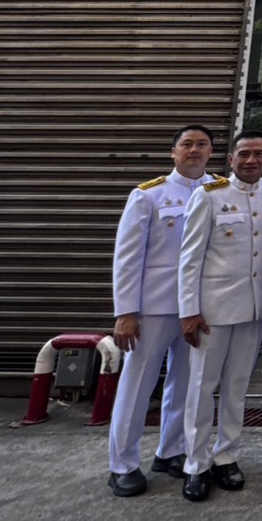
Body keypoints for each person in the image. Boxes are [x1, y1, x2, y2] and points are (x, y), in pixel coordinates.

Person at [107, 125, 219, 496]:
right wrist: (126, 311)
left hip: (200, 307)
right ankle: (122, 464)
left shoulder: (220, 191)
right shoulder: (149, 195)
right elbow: (127, 257)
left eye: (202, 144)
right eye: (187, 144)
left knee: (186, 384)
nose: (194, 150)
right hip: (155, 306)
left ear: (211, 152)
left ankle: (171, 450)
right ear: (174, 152)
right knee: (137, 385)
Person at [177, 131, 262, 501]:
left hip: (254, 309)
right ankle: (196, 464)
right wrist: (189, 311)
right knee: (201, 388)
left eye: (258, 154)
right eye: (244, 154)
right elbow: (190, 259)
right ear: (230, 159)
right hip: (213, 309)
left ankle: (227, 456)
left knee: (237, 387)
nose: (251, 160)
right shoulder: (209, 196)